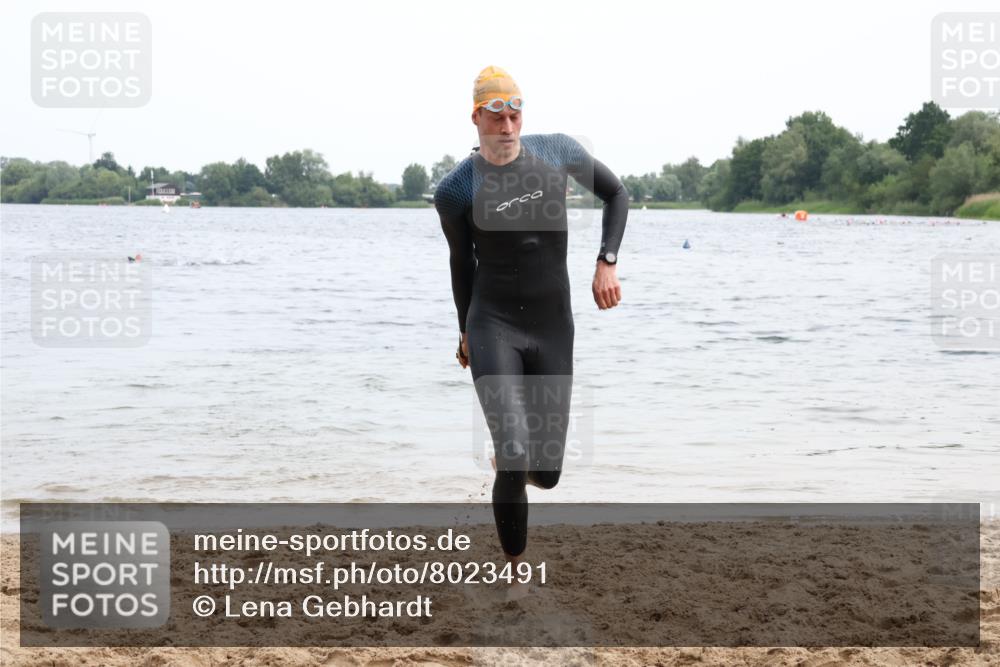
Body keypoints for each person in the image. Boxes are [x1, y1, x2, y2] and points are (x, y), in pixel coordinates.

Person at [435, 66, 628, 601]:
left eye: (514, 115)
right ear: (477, 118)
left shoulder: (557, 152)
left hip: (551, 326)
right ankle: (516, 574)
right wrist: (464, 331)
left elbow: (617, 195)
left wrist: (606, 261)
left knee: (545, 471)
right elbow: (460, 264)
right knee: (516, 449)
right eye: (496, 116)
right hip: (492, 320)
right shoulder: (456, 189)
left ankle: (510, 467)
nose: (507, 126)